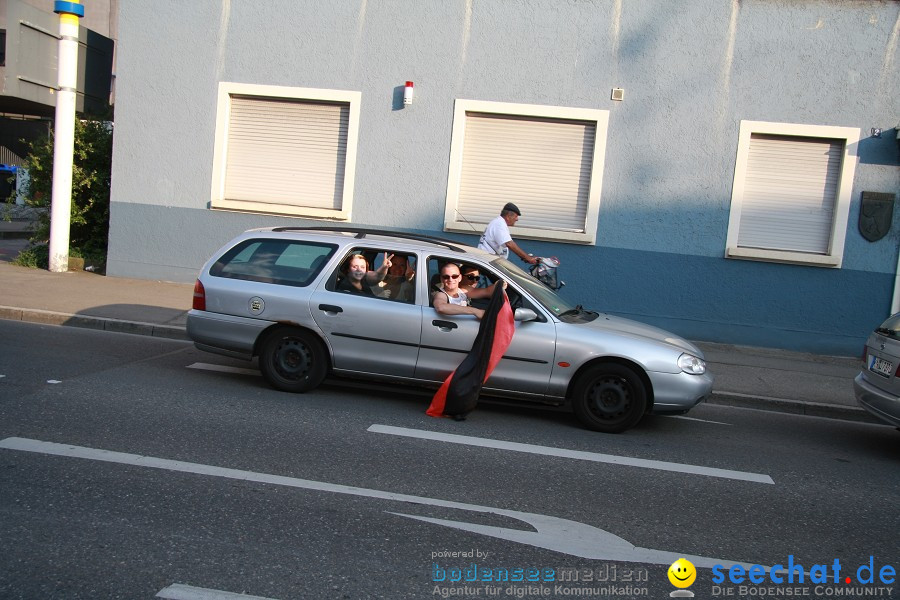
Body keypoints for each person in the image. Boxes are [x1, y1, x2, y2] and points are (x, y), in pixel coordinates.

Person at [432, 262, 503, 319]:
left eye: (454, 276)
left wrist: (500, 284)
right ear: (441, 279)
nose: (451, 280)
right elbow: (440, 307)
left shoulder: (463, 290)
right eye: (446, 277)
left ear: (460, 278)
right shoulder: (441, 294)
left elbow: (488, 291)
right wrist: (475, 311)